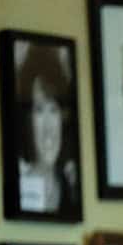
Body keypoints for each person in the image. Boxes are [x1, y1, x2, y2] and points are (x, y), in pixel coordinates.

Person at [16, 43, 79, 215]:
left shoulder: (73, 188)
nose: (49, 126)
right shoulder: (19, 188)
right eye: (39, 110)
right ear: (26, 121)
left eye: (54, 110)